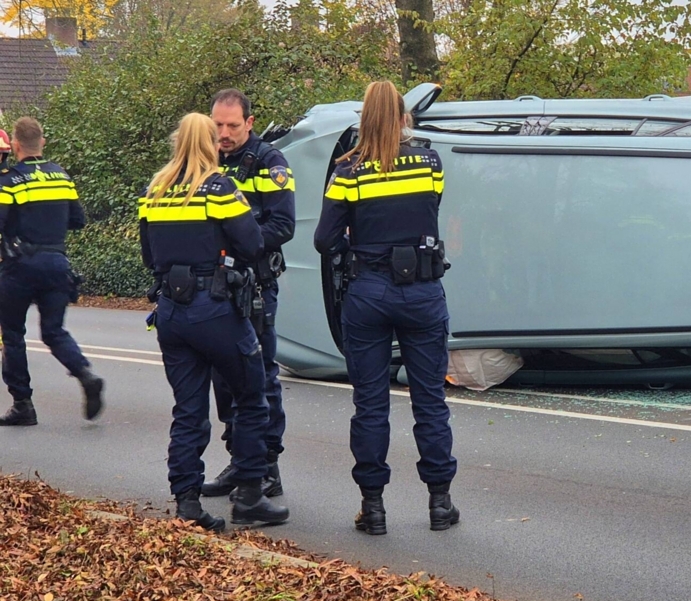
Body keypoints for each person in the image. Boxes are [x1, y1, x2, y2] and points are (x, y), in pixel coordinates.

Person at [314, 80, 458, 535]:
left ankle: (373, 508)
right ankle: (440, 504)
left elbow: (323, 241)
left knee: (371, 405)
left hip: (369, 293)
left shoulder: (348, 172)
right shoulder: (431, 161)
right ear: (403, 117)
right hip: (422, 291)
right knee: (430, 402)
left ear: (363, 120)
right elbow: (429, 210)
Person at [139, 112, 289, 531]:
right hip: (217, 309)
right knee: (252, 397)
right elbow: (254, 242)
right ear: (207, 143)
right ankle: (250, 496)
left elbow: (149, 256)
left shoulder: (154, 189)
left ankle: (187, 503)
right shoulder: (220, 186)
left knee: (188, 409)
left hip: (171, 310)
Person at [201, 89, 295, 501]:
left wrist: (240, 244)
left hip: (254, 286)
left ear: (250, 123)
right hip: (216, 287)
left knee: (259, 378)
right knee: (223, 377)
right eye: (217, 125)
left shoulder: (270, 162)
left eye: (232, 126)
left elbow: (283, 226)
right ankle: (239, 459)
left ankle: (266, 465)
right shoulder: (205, 161)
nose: (223, 133)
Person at [0, 117, 103, 426]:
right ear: (42, 142)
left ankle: (23, 405)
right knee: (54, 331)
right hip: (58, 264)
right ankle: (85, 374)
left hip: (20, 266)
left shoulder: (9, 181)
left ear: (16, 145)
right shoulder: (61, 175)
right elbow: (78, 220)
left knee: (13, 335)